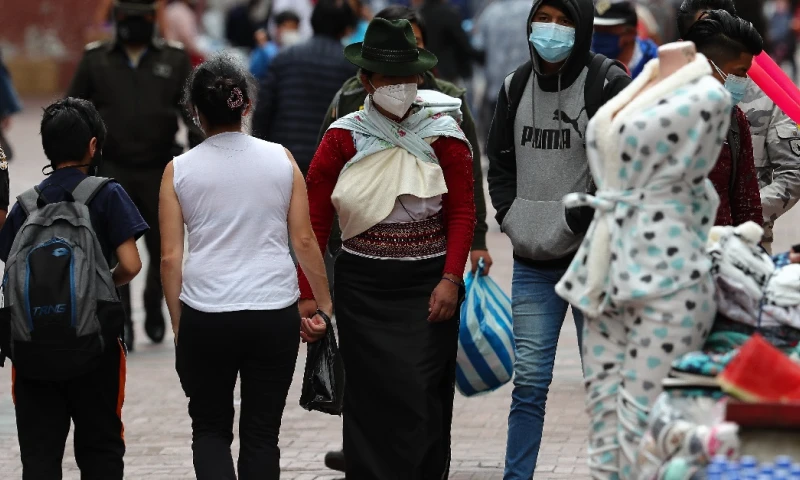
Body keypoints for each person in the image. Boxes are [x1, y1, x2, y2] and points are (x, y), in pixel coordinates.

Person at [299, 17, 475, 479]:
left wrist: (451, 279)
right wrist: (310, 295)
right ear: (366, 80)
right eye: (387, 77)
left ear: (420, 77)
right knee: (369, 397)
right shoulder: (343, 136)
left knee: (421, 393)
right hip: (362, 288)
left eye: (406, 76)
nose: (399, 86)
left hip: (427, 289)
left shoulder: (445, 134)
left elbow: (462, 214)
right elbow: (314, 221)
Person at [555, 39, 728, 480]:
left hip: (669, 274)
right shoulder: (644, 79)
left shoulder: (708, 95)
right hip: (604, 263)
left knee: (645, 424)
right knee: (603, 418)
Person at [160, 54, 331, 480]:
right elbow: (305, 241)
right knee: (261, 434)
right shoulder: (282, 160)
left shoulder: (178, 171)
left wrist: (181, 324)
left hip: (206, 312)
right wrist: (324, 305)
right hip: (272, 313)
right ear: (246, 106)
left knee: (210, 430)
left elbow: (169, 258)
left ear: (195, 112)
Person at [485, 0, 633, 477]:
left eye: (564, 20)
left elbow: (631, 166)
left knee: (604, 383)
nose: (551, 30)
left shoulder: (607, 83)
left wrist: (589, 217)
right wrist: (510, 214)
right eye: (543, 19)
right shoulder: (514, 87)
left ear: (582, 27)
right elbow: (500, 162)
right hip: (532, 261)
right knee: (528, 384)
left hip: (594, 259)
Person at [0, 97, 147, 480]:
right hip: (95, 344)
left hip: (32, 348)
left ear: (47, 147)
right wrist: (98, 287)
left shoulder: (25, 206)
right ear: (93, 146)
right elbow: (132, 264)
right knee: (100, 448)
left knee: (40, 454)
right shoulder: (107, 194)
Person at [68, 0, 203, 351]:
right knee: (112, 250)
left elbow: (189, 110)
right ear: (117, 19)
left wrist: (201, 150)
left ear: (151, 20)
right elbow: (73, 110)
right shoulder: (96, 58)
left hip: (159, 168)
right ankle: (122, 317)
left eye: (140, 18)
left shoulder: (173, 59)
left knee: (163, 246)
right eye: (127, 18)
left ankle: (154, 303)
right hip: (111, 169)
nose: (134, 24)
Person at [677, 0, 800, 251]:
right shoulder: (665, 104)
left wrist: (742, 215)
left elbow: (792, 172)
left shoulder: (762, 95)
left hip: (748, 243)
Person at [252, 0, 358, 176]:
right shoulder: (350, 67)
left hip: (282, 158)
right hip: (328, 163)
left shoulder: (284, 58)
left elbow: (263, 111)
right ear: (346, 28)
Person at [684, 9, 764, 228]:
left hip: (721, 253)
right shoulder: (653, 116)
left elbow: (747, 205)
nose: (743, 81)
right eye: (739, 73)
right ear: (708, 65)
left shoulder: (733, 120)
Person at [473, 0, 531, 138]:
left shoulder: (489, 13)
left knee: (501, 137)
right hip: (528, 84)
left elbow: (478, 47)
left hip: (498, 87)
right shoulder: (532, 9)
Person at [419, 0, 485, 85]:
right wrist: (482, 58)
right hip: (448, 74)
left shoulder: (420, 14)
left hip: (427, 72)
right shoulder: (449, 14)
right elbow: (463, 44)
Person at [593, 0, 659, 79]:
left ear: (631, 33)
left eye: (607, 31)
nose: (600, 37)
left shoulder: (656, 63)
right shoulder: (587, 63)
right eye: (597, 30)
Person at [249, 10, 302, 81]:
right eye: (288, 27)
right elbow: (253, 74)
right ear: (278, 29)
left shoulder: (302, 52)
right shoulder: (265, 48)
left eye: (294, 28)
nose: (291, 32)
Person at [163, 0, 205, 66]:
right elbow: (188, 40)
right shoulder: (183, 12)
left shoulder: (171, 8)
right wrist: (204, 54)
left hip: (169, 53)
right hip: (178, 55)